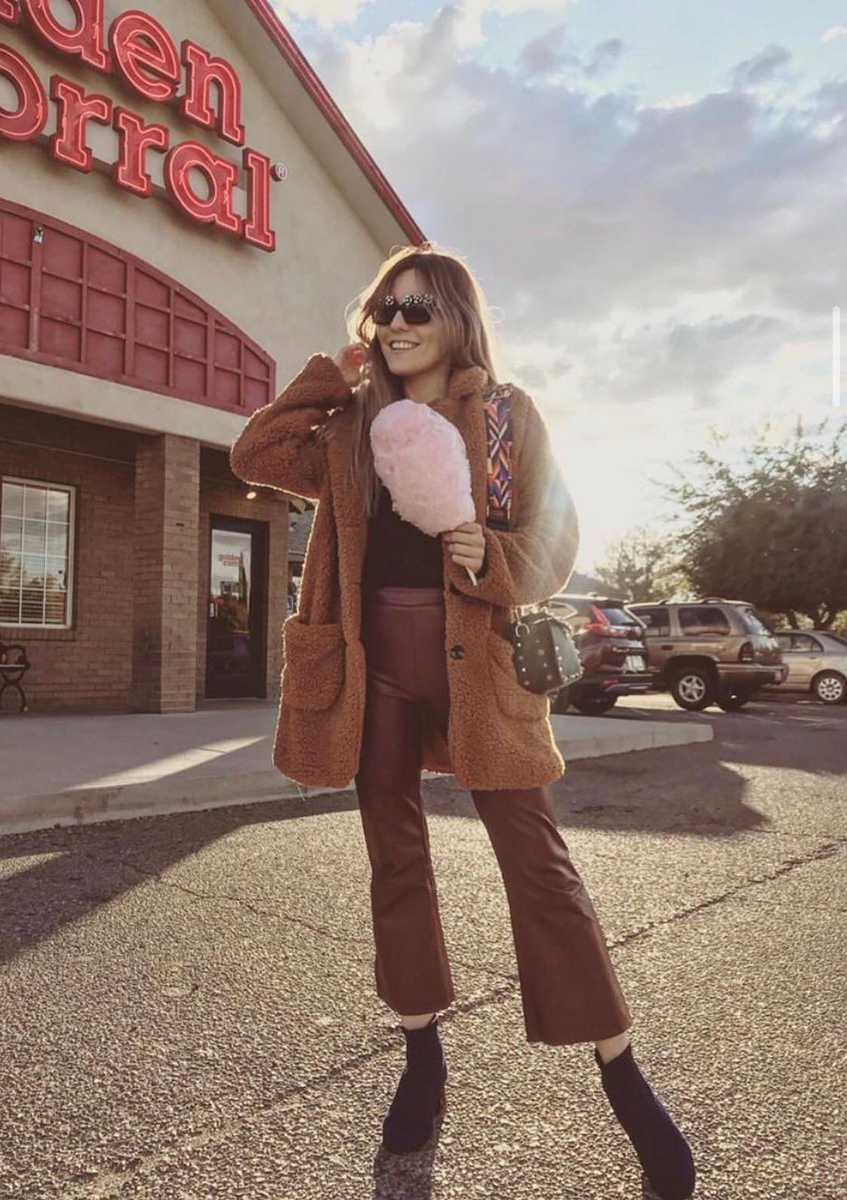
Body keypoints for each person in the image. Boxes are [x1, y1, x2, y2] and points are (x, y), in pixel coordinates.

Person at [230, 245, 695, 1199]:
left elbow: (554, 540)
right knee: (395, 861)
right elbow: (256, 455)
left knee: (539, 865)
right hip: (368, 667)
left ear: (455, 317)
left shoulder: (503, 418)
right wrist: (332, 376)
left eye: (416, 308)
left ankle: (622, 1072)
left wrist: (493, 554)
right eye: (383, 310)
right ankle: (420, 1055)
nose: (396, 324)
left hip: (476, 666)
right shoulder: (351, 425)